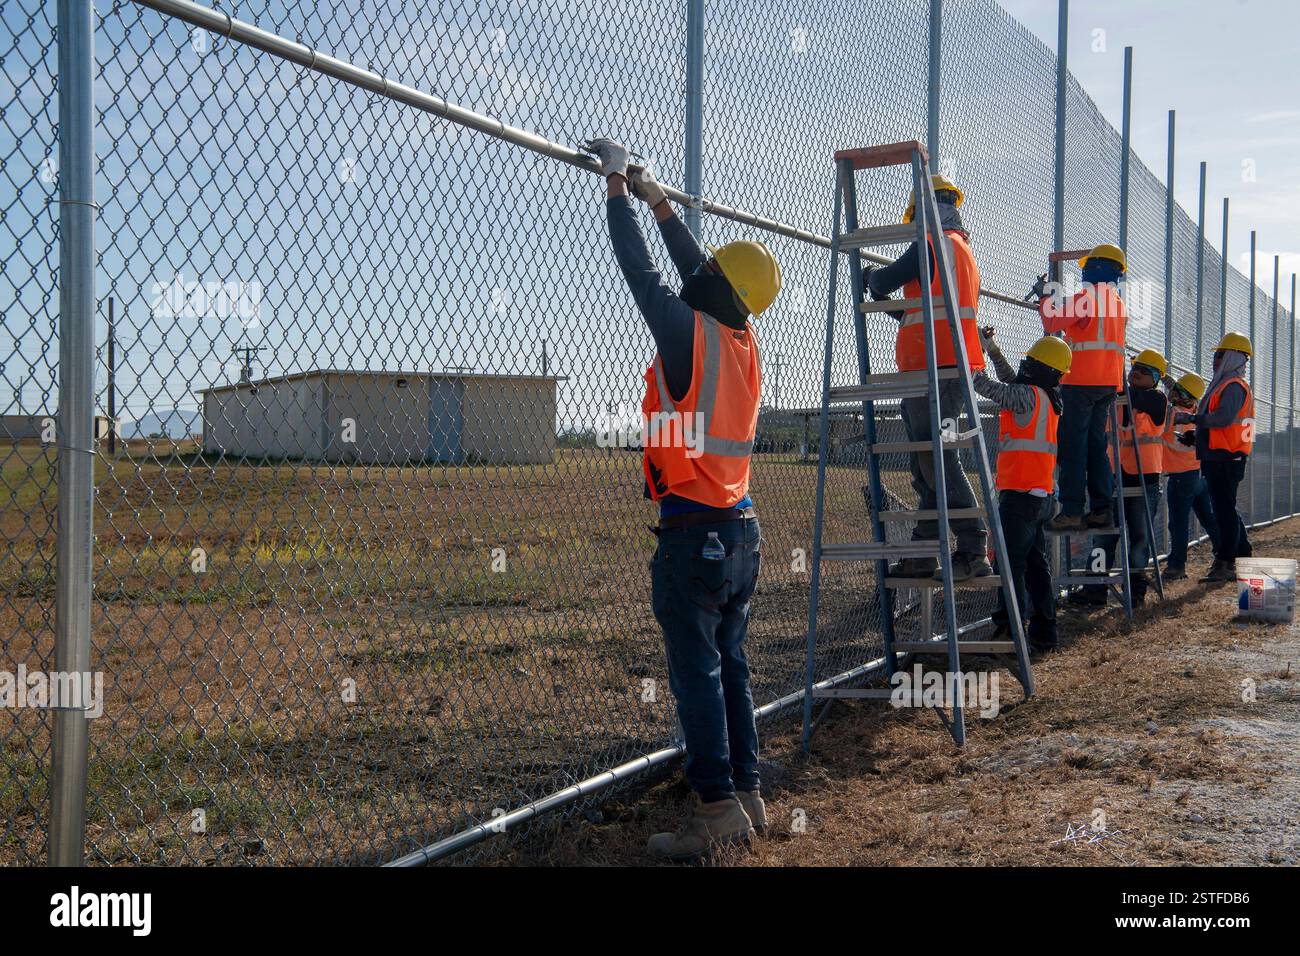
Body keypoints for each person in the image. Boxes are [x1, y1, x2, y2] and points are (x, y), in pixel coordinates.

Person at [581, 137, 780, 861]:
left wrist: (614, 187)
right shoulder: (743, 337)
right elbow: (700, 269)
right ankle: (747, 792)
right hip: (741, 530)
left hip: (694, 532)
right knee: (730, 665)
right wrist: (656, 194)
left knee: (698, 671)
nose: (699, 272)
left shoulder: (685, 332)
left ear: (718, 284)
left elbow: (641, 271)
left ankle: (718, 808)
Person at [863, 173, 991, 581]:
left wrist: (869, 280)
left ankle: (973, 546)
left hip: (933, 371)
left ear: (922, 211)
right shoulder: (961, 251)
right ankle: (923, 550)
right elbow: (919, 311)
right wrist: (887, 303)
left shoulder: (931, 244)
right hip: (948, 367)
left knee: (939, 460)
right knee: (929, 464)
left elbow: (884, 280)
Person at [974, 327, 1070, 654]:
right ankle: (1045, 631)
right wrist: (993, 350)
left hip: (1019, 496)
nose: (1025, 364)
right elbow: (1011, 382)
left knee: (1009, 564)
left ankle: (1007, 627)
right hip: (1039, 496)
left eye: (1030, 360)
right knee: (1035, 565)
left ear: (1039, 367)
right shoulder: (1045, 397)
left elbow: (989, 387)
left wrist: (970, 360)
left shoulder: (1027, 396)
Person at [1035, 244, 1128, 533]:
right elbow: (1083, 329)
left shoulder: (1088, 298)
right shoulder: (1117, 303)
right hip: (1107, 384)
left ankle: (1073, 510)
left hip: (1080, 381)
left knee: (1073, 447)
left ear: (1095, 267)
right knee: (1096, 447)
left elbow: (1052, 321)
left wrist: (1044, 298)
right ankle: (1102, 509)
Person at [1073, 349, 1168, 608]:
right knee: (1103, 536)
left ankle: (1135, 591)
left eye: (1145, 371)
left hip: (1144, 478)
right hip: (1114, 477)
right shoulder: (1117, 397)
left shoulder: (1157, 399)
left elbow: (1136, 398)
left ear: (1157, 378)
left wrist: (1115, 385)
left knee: (1139, 538)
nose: (1136, 373)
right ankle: (1095, 590)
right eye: (1134, 368)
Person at [1193, 333, 1255, 584]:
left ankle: (1226, 561)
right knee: (1225, 507)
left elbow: (1222, 419)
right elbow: (1220, 425)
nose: (1215, 360)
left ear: (1232, 357)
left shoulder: (1232, 386)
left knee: (1223, 510)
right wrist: (1195, 438)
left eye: (1219, 355)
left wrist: (1192, 419)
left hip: (1226, 458)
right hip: (1221, 455)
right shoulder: (1226, 384)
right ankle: (1241, 554)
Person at [1161, 372, 1219, 580]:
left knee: (1177, 523)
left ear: (1182, 395)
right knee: (1209, 519)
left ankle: (1177, 566)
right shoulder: (1197, 411)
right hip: (1198, 475)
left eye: (1175, 391)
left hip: (1180, 477)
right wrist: (1166, 378)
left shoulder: (1173, 414)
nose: (1171, 393)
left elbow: (1163, 406)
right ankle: (1224, 556)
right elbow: (1180, 392)